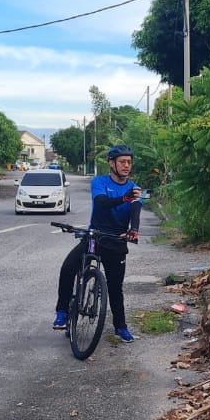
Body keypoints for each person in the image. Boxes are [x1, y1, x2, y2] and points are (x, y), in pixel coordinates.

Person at [53, 146, 142, 342]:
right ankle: (62, 312)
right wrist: (123, 198)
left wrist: (133, 230)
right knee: (68, 268)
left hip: (117, 240)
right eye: (122, 162)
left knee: (115, 287)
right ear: (112, 163)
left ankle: (120, 327)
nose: (127, 165)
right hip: (95, 236)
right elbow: (101, 202)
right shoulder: (99, 182)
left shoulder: (135, 189)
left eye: (129, 162)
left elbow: (136, 211)